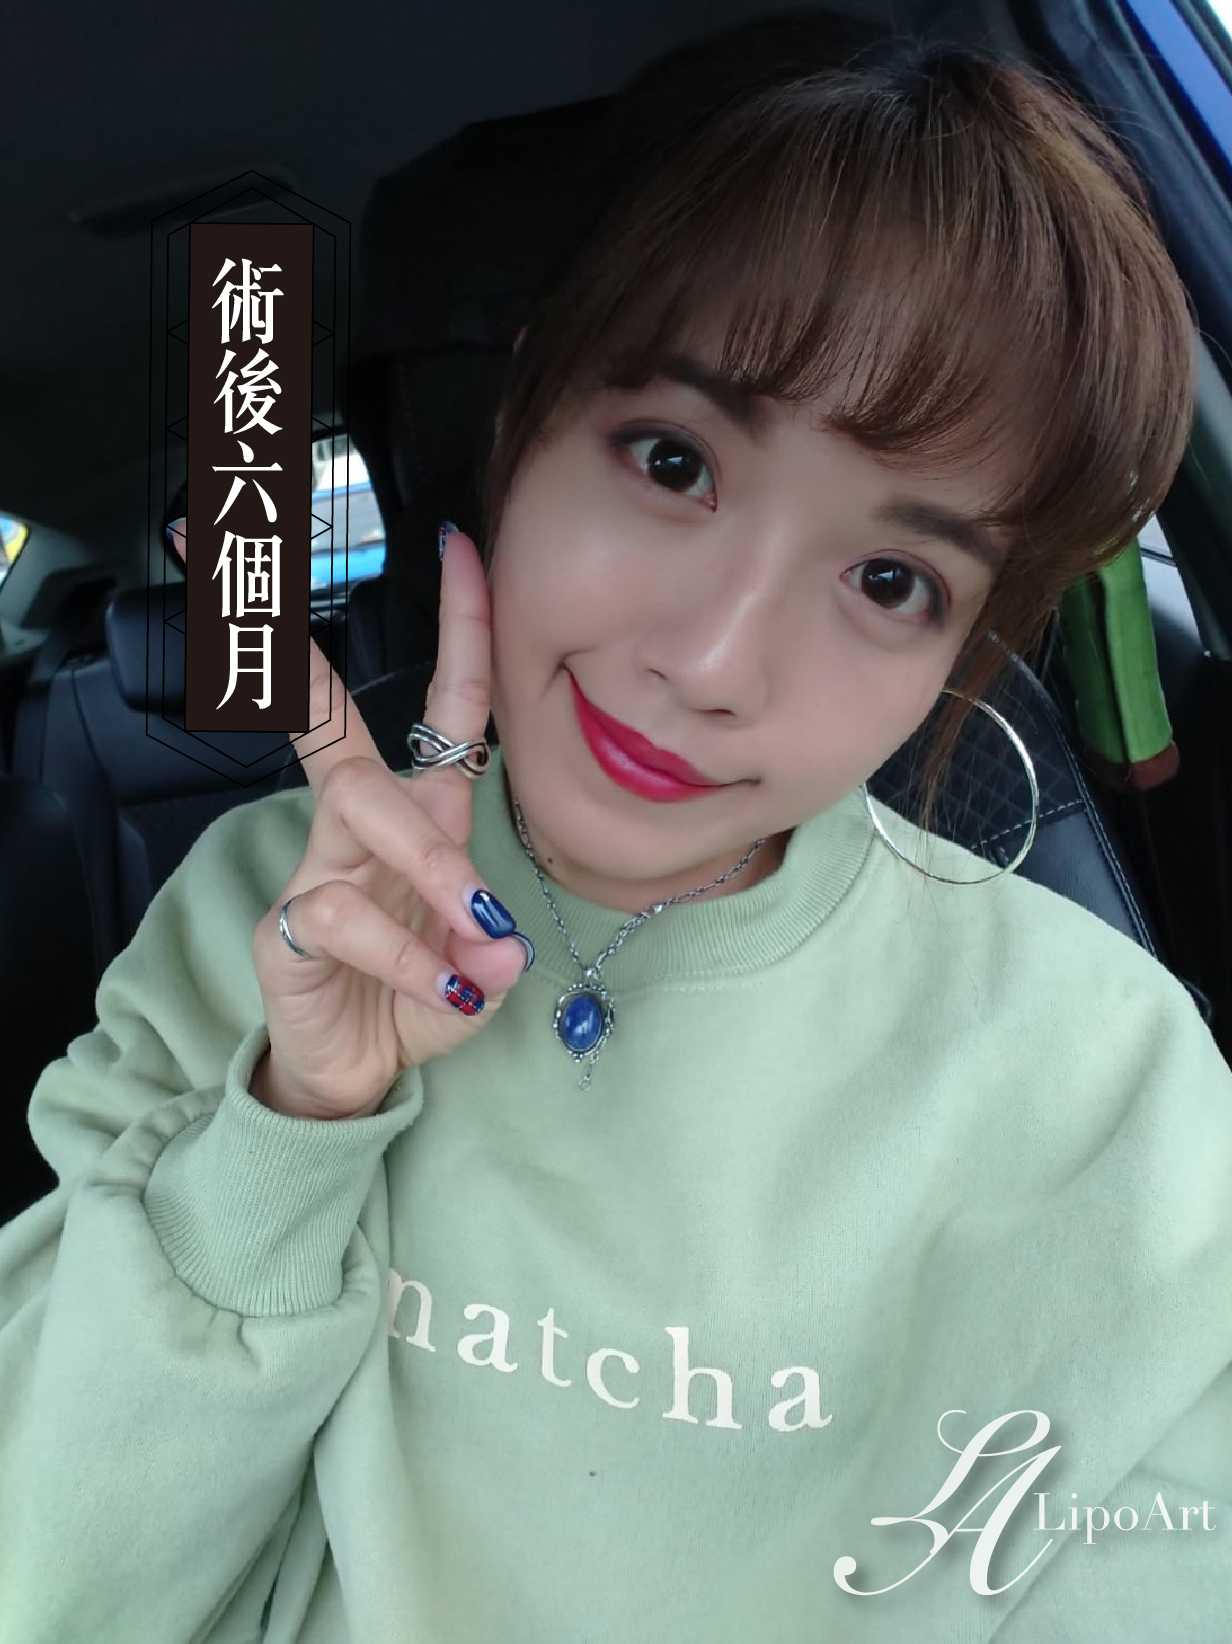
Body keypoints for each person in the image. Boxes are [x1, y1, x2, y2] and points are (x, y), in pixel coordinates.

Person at [2, 15, 1230, 1643]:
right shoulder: (260, 912)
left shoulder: (1110, 1087)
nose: (715, 664)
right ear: (521, 423)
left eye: (890, 580)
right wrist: (290, 1129)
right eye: (672, 460)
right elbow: (53, 1580)